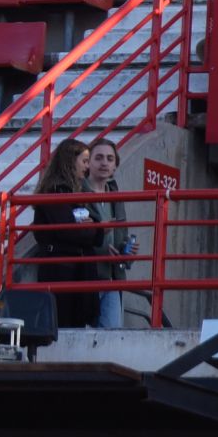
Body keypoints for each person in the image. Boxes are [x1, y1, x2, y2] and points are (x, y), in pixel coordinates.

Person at [30, 140, 108, 329]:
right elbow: (69, 229)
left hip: (73, 269)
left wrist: (92, 228)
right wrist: (95, 228)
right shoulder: (55, 192)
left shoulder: (73, 192)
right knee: (64, 324)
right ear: (70, 161)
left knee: (74, 324)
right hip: (62, 270)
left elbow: (84, 227)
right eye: (84, 161)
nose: (88, 167)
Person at [87, 140, 134, 331]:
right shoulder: (79, 192)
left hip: (112, 277)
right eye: (98, 158)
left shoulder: (115, 195)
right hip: (87, 275)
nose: (104, 163)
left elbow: (122, 233)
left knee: (111, 334)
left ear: (115, 165)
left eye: (109, 159)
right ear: (88, 162)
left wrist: (126, 251)